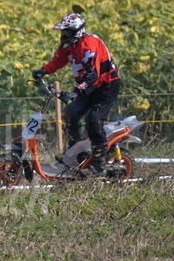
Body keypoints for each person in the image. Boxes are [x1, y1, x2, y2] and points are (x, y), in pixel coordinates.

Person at [32, 12, 122, 177]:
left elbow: (93, 75)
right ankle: (75, 155)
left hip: (105, 86)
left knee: (93, 121)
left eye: (67, 32)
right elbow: (59, 59)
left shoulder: (89, 45)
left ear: (78, 31)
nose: (63, 35)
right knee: (72, 113)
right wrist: (44, 70)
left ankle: (99, 165)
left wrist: (75, 92)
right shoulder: (69, 44)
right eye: (63, 32)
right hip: (89, 86)